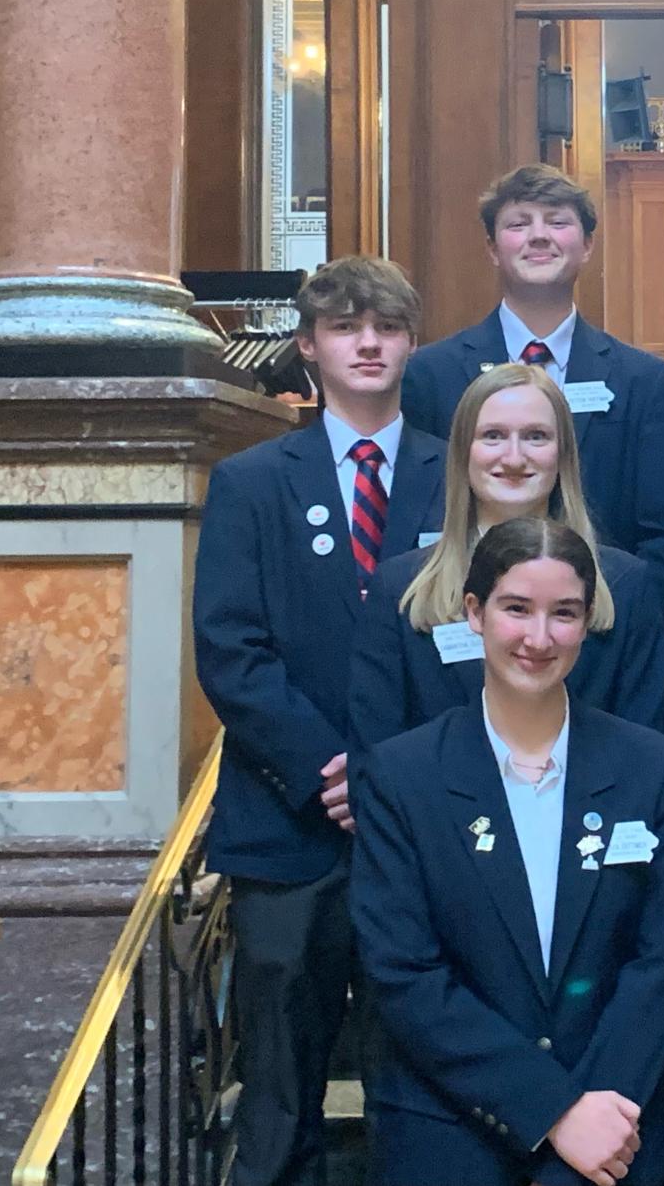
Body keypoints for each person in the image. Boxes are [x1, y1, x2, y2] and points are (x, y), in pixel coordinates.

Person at [193, 257, 448, 1186]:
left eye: (386, 325)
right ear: (308, 348)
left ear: (412, 342)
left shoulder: (457, 474)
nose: (369, 342)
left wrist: (394, 774)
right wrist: (328, 771)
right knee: (280, 1084)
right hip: (289, 828)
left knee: (417, 1076)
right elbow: (231, 651)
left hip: (423, 827)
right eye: (346, 328)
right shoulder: (253, 480)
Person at [349, 517, 664, 1186]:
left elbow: (659, 958)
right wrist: (551, 1110)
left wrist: (597, 1112)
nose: (538, 637)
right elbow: (403, 971)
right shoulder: (402, 775)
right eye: (516, 608)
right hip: (449, 1129)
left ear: (588, 621)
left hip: (619, 1128)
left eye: (563, 613)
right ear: (473, 612)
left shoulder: (651, 766)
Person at [353, 363, 664, 753]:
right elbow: (378, 760)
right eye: (493, 436)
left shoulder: (626, 587)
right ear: (462, 452)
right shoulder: (399, 588)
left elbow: (644, 758)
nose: (515, 457)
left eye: (536, 436)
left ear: (563, 454)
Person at [403, 164, 664, 588]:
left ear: (587, 245)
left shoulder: (640, 379)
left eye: (557, 222)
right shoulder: (431, 373)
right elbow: (422, 513)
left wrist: (631, 616)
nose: (539, 236)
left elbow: (662, 530)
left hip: (605, 616)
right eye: (519, 224)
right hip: (463, 613)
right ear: (493, 248)